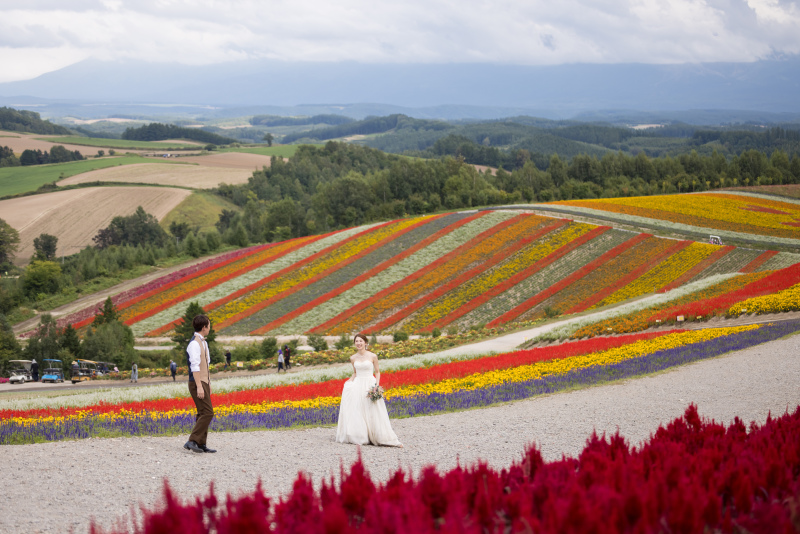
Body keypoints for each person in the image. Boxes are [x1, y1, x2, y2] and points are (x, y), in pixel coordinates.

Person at [335, 334, 402, 447]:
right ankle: (362, 436)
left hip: (369, 383)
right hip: (358, 385)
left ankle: (379, 436)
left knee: (373, 410)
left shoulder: (373, 356)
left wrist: (376, 385)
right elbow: (355, 372)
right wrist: (349, 382)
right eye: (356, 341)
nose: (359, 343)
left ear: (365, 343)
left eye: (361, 341)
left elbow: (377, 372)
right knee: (359, 410)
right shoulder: (353, 358)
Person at [184, 315, 216, 454]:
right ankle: (192, 440)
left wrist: (208, 382)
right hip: (196, 382)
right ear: (204, 327)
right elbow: (195, 366)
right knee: (208, 412)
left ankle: (201, 443)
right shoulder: (194, 344)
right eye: (209, 325)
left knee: (203, 412)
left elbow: (205, 365)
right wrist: (199, 386)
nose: (210, 328)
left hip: (203, 381)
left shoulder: (203, 342)